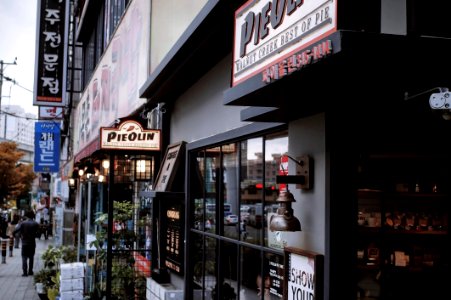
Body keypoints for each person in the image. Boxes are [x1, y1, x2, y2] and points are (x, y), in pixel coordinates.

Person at [13, 210, 39, 276]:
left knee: (24, 257)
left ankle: (25, 272)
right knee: (31, 257)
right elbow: (39, 233)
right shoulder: (35, 223)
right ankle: (30, 271)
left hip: (24, 243)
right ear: (33, 216)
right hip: (32, 243)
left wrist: (16, 236)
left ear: (27, 216)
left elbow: (15, 231)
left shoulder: (23, 223)